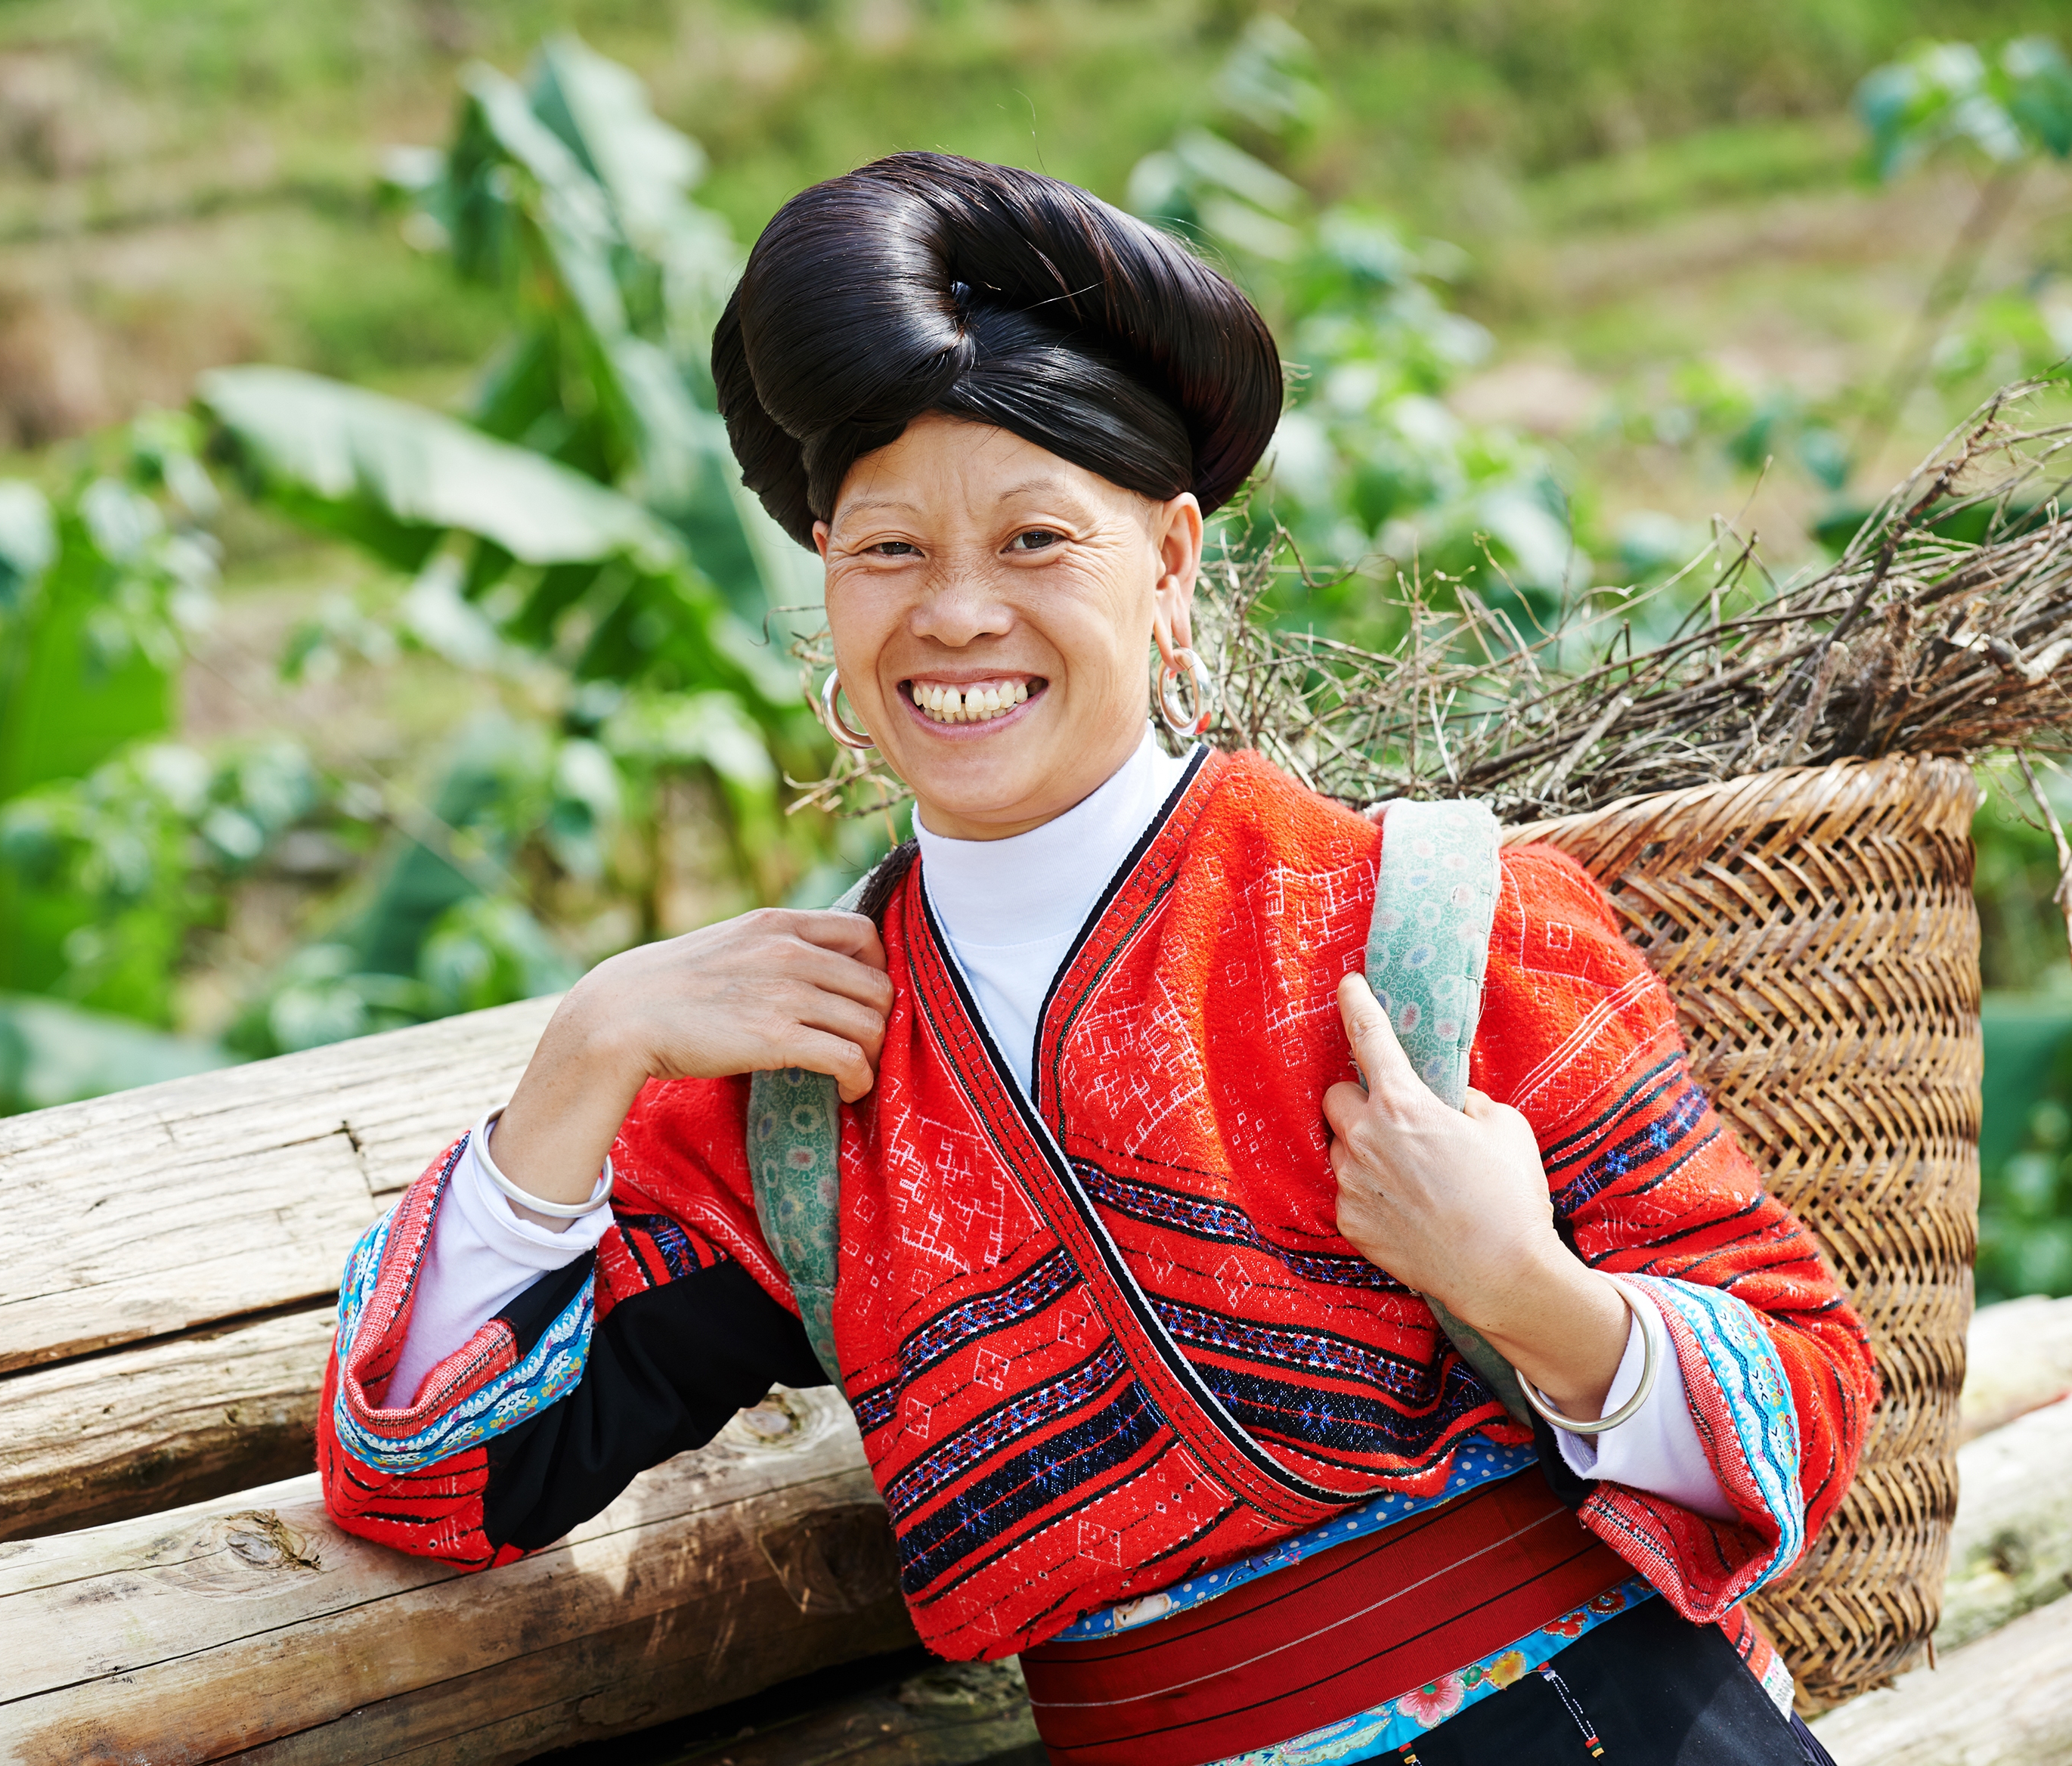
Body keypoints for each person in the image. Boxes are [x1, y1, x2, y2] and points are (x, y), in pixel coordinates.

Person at [317, 153, 1874, 1765]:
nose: (959, 614)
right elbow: (424, 1473)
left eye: (1036, 537)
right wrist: (587, 1050)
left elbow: (1811, 1399)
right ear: (827, 598)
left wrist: (1523, 1289)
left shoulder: (1432, 926)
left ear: (1172, 564)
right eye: (888, 552)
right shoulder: (797, 1094)